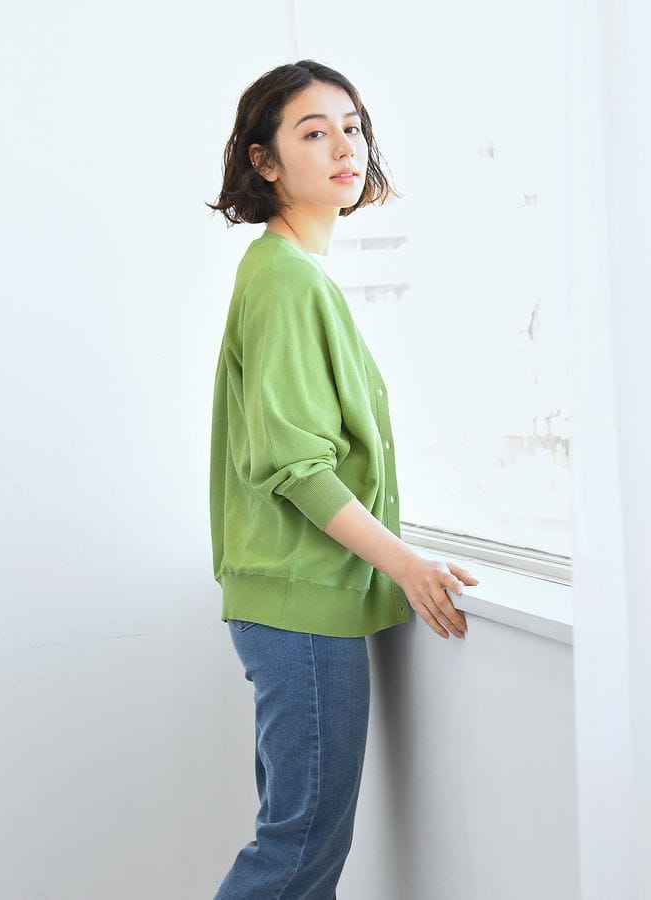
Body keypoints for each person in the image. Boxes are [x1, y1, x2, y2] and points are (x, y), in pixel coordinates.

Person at [206, 59, 479, 899]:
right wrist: (407, 565)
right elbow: (299, 467)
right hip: (301, 610)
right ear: (264, 161)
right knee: (296, 856)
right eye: (314, 132)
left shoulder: (287, 271)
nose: (344, 147)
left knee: (301, 853)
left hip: (294, 606)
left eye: (352, 127)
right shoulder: (285, 280)